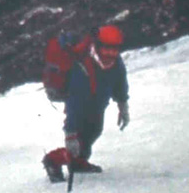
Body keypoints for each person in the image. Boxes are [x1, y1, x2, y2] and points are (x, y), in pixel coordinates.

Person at [42, 25, 130, 182]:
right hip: (81, 107)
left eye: (114, 49)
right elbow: (74, 103)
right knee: (77, 143)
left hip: (98, 105)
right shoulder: (82, 67)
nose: (110, 53)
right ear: (98, 45)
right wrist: (70, 134)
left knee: (94, 131)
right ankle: (53, 160)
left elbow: (120, 84)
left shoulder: (116, 63)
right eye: (107, 49)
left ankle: (78, 162)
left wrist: (123, 106)